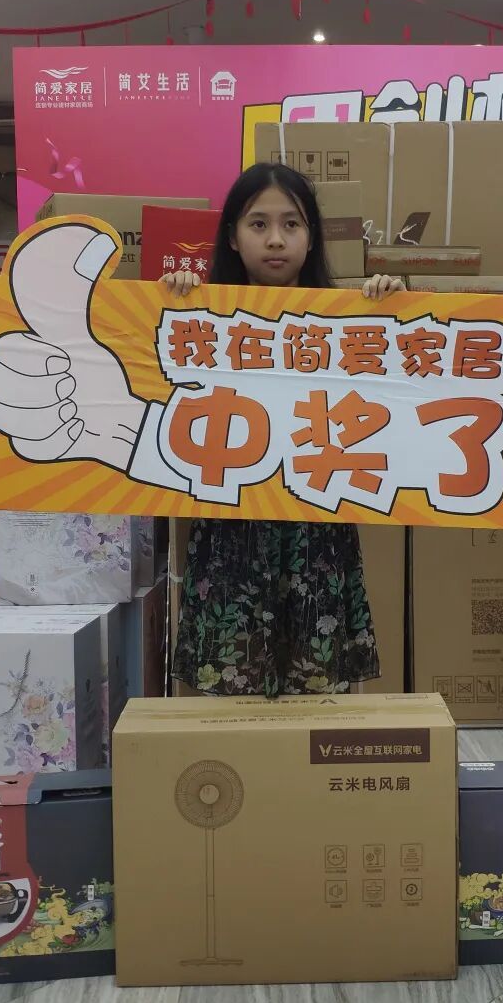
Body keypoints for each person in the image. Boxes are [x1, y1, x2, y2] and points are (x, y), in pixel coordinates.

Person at [161, 162, 405, 698]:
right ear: (232, 235)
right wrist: (173, 300)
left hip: (315, 525)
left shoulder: (351, 320)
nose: (276, 239)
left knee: (319, 695)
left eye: (292, 224)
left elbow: (401, 397)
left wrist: (394, 305)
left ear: (311, 236)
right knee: (230, 695)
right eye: (258, 224)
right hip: (231, 526)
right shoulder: (200, 318)